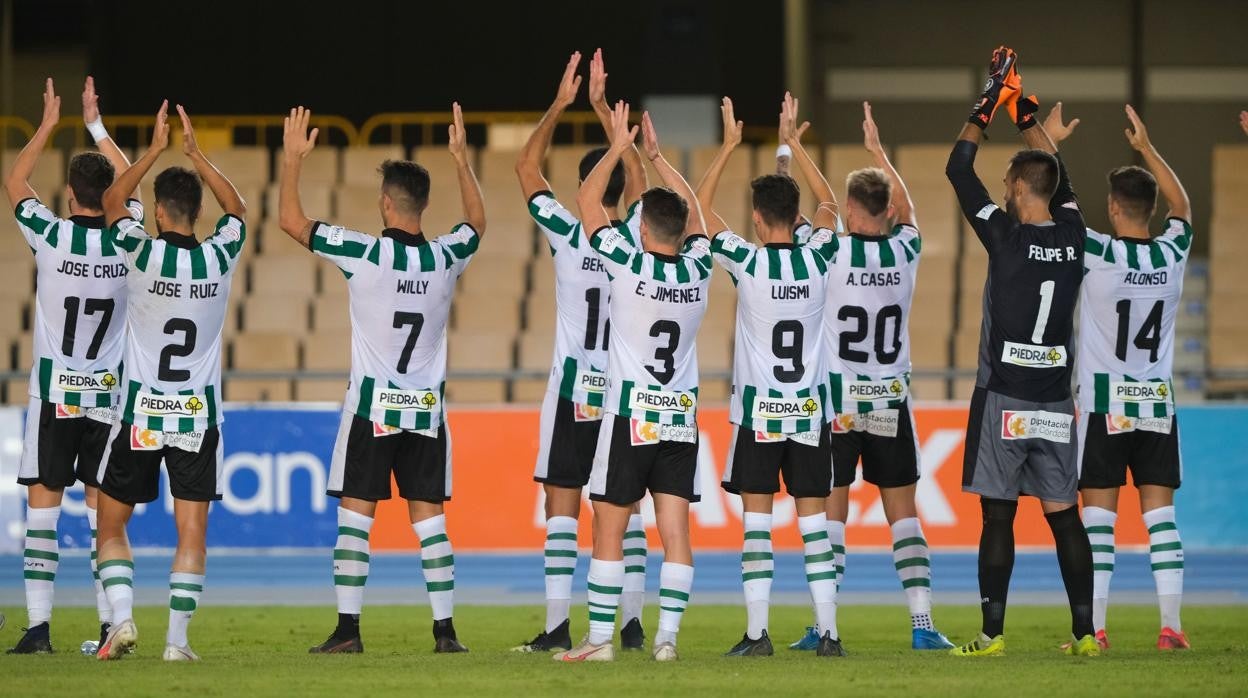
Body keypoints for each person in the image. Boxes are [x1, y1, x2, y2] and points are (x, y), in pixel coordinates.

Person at [280, 104, 483, 655]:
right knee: (430, 523)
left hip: (372, 408)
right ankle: (446, 634)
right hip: (425, 412)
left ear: (387, 204)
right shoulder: (445, 257)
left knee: (355, 518)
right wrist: (463, 162)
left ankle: (348, 632)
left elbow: (291, 222)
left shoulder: (364, 251)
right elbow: (477, 226)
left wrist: (293, 160)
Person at [944, 46, 1098, 657]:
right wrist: (1022, 105)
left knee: (998, 517)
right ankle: (1085, 636)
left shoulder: (1003, 236)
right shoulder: (1074, 234)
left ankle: (992, 634)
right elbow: (1059, 174)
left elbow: (959, 170)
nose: (1003, 189)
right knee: (1065, 517)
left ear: (1014, 187)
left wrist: (989, 100)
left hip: (1004, 397)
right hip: (1055, 405)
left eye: (1009, 183)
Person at [790, 101, 956, 653]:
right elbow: (909, 212)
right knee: (902, 514)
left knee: (831, 515)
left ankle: (825, 625)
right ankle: (922, 623)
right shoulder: (905, 249)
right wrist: (880, 152)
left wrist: (796, 144)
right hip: (889, 397)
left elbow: (822, 205)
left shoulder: (833, 249)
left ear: (853, 213)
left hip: (840, 401)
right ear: (884, 211)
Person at [554, 103, 710, 663]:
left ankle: (599, 641)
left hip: (629, 416)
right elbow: (695, 214)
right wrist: (659, 159)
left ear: (641, 229)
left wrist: (621, 147)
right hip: (679, 419)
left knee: (608, 530)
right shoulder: (699, 267)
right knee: (676, 533)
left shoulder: (626, 260)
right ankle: (666, 640)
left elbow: (587, 202)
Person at [95, 101, 248, 662]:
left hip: (139, 413)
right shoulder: (219, 256)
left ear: (158, 212)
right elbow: (239, 209)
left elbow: (112, 202)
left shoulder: (139, 250)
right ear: (195, 213)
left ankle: (124, 618)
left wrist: (154, 151)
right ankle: (176, 644)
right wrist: (198, 155)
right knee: (191, 535)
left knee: (111, 525)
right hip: (196, 417)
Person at [513, 49, 650, 653]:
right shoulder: (639, 242)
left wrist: (563, 105)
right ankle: (634, 620)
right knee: (625, 505)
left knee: (562, 505)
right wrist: (609, 122)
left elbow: (524, 166)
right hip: (623, 390)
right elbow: (642, 187)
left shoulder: (569, 234)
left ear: (584, 186)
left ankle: (557, 625)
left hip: (573, 388)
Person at [699, 94, 841, 657]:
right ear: (795, 216)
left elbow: (701, 214)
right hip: (809, 410)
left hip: (758, 413)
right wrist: (798, 149)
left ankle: (758, 635)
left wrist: (731, 147)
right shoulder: (819, 256)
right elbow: (829, 205)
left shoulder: (748, 261)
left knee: (756, 524)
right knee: (814, 526)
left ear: (756, 219)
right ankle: (829, 634)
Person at [1047, 103, 1192, 651]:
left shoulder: (1098, 250)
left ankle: (1098, 629)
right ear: (1152, 209)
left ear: (1112, 207)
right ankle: (1172, 627)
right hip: (1156, 402)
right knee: (1161, 520)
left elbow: (1060, 206)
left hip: (1106, 405)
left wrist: (1051, 144)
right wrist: (1147, 149)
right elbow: (1186, 205)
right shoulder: (1173, 253)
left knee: (1099, 524)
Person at [4, 77, 137, 654]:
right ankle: (111, 625)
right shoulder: (128, 241)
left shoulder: (51, 237)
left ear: (67, 194)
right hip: (106, 398)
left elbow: (13, 181)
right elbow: (131, 181)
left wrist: (48, 126)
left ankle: (38, 631)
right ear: (110, 197)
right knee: (99, 515)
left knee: (43, 510)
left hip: (55, 393)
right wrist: (97, 127)